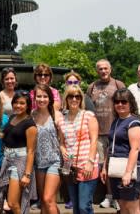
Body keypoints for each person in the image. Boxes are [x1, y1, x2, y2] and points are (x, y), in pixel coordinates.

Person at [86, 59, 125, 209]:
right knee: (101, 165)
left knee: (116, 164)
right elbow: (88, 107)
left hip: (116, 130)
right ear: (97, 71)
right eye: (100, 69)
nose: (103, 71)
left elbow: (126, 103)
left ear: (110, 69)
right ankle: (108, 196)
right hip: (98, 132)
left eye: (105, 68)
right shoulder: (92, 87)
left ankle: (117, 196)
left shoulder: (118, 85)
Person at [56, 85, 99, 214]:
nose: (74, 99)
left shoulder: (88, 115)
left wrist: (90, 162)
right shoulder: (62, 120)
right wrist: (62, 149)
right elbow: (62, 142)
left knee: (84, 206)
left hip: (86, 165)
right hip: (70, 168)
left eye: (77, 96)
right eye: (71, 96)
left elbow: (94, 140)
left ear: (81, 99)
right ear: (66, 99)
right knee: (75, 206)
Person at [101, 89, 140, 214]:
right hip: (116, 166)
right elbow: (110, 146)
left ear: (130, 103)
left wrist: (128, 173)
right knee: (122, 205)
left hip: (130, 168)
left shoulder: (134, 122)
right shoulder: (116, 121)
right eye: (117, 102)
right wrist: (105, 167)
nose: (120, 104)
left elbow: (135, 149)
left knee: (132, 206)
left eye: (124, 101)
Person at [0, 90, 38, 214]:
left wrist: (27, 175)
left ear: (28, 106)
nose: (18, 106)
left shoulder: (30, 124)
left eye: (22, 103)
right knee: (7, 201)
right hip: (7, 160)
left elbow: (31, 151)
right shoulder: (12, 117)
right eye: (16, 102)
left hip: (20, 163)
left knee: (13, 203)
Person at [31, 84, 61, 214]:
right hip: (39, 162)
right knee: (43, 201)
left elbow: (62, 140)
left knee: (48, 198)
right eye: (39, 96)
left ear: (50, 98)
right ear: (34, 98)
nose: (42, 99)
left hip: (54, 160)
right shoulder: (32, 115)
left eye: (45, 96)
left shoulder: (56, 115)